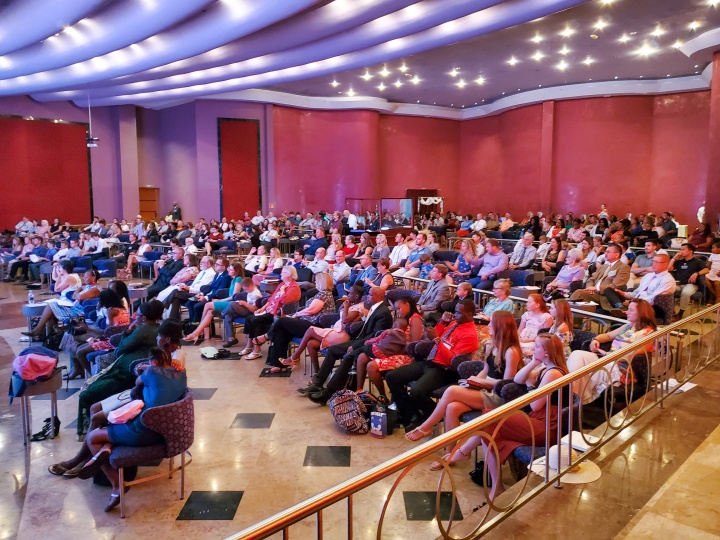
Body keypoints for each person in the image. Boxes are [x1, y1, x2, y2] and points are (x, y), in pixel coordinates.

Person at [450, 334, 571, 499]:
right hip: (537, 418)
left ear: (547, 353)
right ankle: (494, 483)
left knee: (488, 419)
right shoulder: (544, 367)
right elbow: (517, 379)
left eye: (536, 347)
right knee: (490, 429)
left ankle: (466, 453)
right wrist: (535, 362)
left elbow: (536, 405)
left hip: (546, 425)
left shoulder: (554, 373)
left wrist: (530, 387)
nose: (532, 349)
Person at [405, 310, 522, 460]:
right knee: (451, 407)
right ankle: (451, 454)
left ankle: (426, 427)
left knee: (452, 391)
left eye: (492, 323)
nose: (489, 325)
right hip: (486, 390)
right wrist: (474, 381)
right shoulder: (491, 345)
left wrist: (481, 382)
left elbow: (507, 384)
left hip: (498, 397)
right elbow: (486, 370)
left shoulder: (511, 351)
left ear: (501, 326)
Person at [74, 300, 164, 439]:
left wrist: (128, 331)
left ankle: (88, 433)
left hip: (125, 375)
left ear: (144, 318)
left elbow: (119, 350)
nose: (134, 316)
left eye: (138, 314)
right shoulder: (159, 328)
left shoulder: (142, 330)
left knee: (86, 395)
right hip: (133, 373)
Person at [385, 299, 480, 427]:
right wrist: (441, 323)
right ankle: (411, 413)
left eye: (458, 312)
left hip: (445, 370)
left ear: (469, 315)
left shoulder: (470, 335)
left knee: (416, 391)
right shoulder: (453, 324)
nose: (455, 315)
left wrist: (436, 339)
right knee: (392, 377)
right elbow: (436, 335)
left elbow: (452, 360)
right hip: (430, 362)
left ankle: (434, 414)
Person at [301, 287, 394, 404]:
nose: (367, 297)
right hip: (360, 340)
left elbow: (374, 336)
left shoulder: (383, 312)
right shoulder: (375, 308)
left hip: (370, 345)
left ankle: (328, 392)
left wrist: (355, 346)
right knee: (333, 350)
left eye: (370, 295)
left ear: (377, 296)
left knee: (349, 356)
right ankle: (318, 383)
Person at [568, 299, 656, 405]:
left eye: (631, 310)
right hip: (607, 360)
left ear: (642, 313)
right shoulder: (628, 326)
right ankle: (572, 394)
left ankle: (571, 396)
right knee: (577, 354)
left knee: (583, 370)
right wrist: (596, 340)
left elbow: (630, 354)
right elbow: (608, 336)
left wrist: (606, 354)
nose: (626, 312)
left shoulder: (648, 333)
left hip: (619, 369)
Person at [256, 273, 337, 371]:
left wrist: (296, 315)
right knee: (282, 332)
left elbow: (311, 310)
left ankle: (265, 336)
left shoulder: (324, 294)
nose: (315, 282)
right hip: (307, 322)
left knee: (282, 321)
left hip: (314, 326)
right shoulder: (321, 293)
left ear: (321, 282)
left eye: (316, 280)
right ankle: (278, 365)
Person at [284, 283, 367, 373]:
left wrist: (346, 307)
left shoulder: (358, 308)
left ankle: (294, 357)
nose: (348, 295)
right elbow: (340, 313)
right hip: (336, 330)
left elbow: (345, 320)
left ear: (356, 296)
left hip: (342, 335)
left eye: (350, 293)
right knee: (311, 343)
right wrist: (344, 305)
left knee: (311, 330)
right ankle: (317, 372)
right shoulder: (353, 304)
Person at [354, 296, 426, 397]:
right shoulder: (404, 319)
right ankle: (359, 391)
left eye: (398, 308)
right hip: (396, 350)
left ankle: (383, 397)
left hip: (407, 355)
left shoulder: (415, 319)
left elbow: (414, 345)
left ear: (407, 304)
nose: (397, 311)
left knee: (371, 366)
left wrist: (392, 348)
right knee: (362, 357)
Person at [238, 266, 301, 359]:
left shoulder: (294, 287)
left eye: (283, 272)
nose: (280, 274)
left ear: (288, 274)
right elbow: (271, 299)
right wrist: (262, 308)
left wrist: (283, 292)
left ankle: (256, 350)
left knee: (255, 320)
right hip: (270, 310)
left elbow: (285, 301)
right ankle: (249, 345)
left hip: (278, 313)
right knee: (250, 317)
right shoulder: (282, 284)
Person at [22, 270, 101, 338]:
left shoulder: (95, 289)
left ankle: (38, 331)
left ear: (93, 278)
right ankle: (48, 336)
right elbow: (80, 288)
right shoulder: (89, 286)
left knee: (51, 305)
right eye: (84, 277)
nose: (84, 278)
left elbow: (80, 297)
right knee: (51, 311)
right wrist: (77, 291)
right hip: (74, 307)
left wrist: (76, 295)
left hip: (79, 311)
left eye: (86, 277)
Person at [181, 261, 244, 344]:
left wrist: (220, 300)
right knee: (210, 312)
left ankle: (199, 331)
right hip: (229, 302)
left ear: (236, 271)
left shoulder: (238, 279)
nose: (229, 270)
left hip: (234, 304)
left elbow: (234, 296)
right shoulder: (233, 279)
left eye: (231, 269)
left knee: (208, 305)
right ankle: (198, 331)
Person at [667, 243, 708, 320]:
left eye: (683, 249)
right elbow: (669, 269)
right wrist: (674, 258)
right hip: (679, 284)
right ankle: (671, 312)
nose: (681, 251)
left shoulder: (697, 261)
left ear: (690, 251)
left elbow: (706, 270)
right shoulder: (679, 262)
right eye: (680, 249)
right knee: (668, 290)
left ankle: (680, 314)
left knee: (686, 293)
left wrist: (697, 273)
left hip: (691, 284)